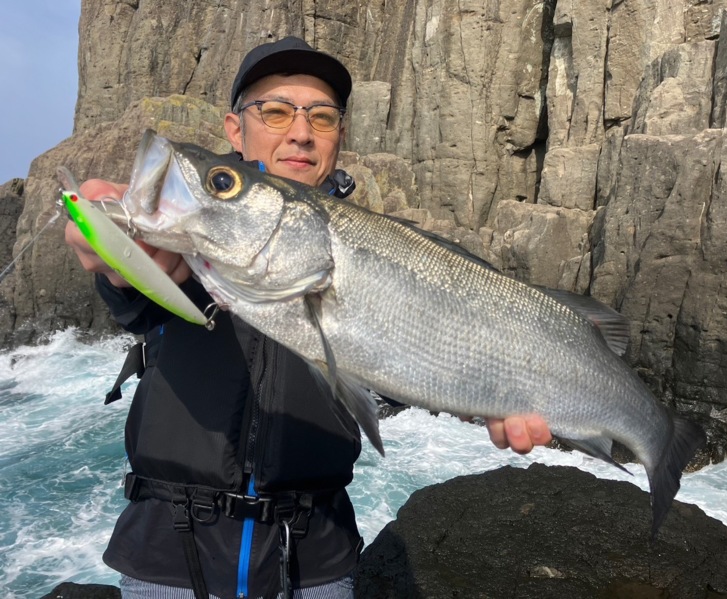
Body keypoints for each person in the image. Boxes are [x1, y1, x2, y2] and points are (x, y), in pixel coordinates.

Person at [65, 36, 551, 599]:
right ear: (234, 129)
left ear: (339, 135)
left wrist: (477, 386)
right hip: (168, 562)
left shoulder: (378, 252)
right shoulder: (190, 236)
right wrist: (114, 252)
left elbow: (394, 378)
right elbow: (129, 282)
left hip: (316, 564)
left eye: (321, 117)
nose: (300, 132)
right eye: (275, 112)